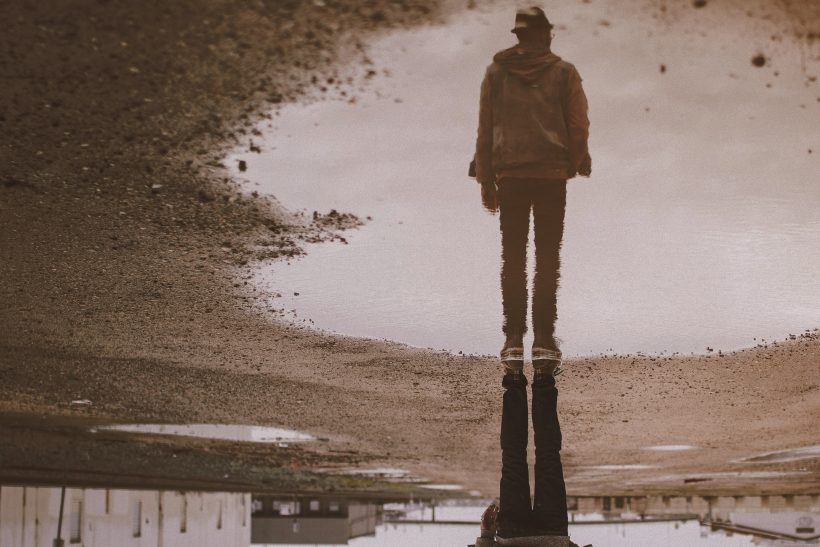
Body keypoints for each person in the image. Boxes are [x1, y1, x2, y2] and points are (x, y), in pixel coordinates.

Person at [471, 6, 591, 379]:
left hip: (510, 176)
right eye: (548, 32)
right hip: (551, 175)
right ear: (543, 35)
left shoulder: (495, 74)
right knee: (547, 257)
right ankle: (543, 340)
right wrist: (577, 160)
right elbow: (578, 123)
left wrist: (485, 178)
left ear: (519, 36)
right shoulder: (564, 72)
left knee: (513, 257)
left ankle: (512, 339)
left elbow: (486, 127)